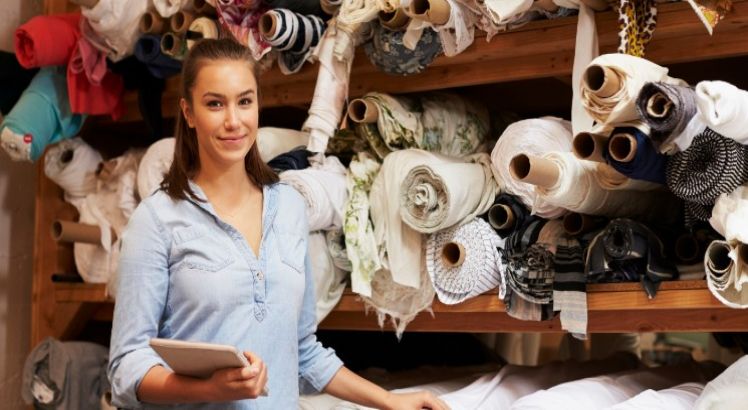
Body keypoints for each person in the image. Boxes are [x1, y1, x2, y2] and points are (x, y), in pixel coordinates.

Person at [107, 38, 449, 410]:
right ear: (188, 113)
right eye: (215, 104)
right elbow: (126, 367)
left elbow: (303, 350)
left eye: (244, 101)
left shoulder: (288, 206)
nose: (233, 120)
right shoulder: (157, 219)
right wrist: (210, 389)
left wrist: (389, 401)